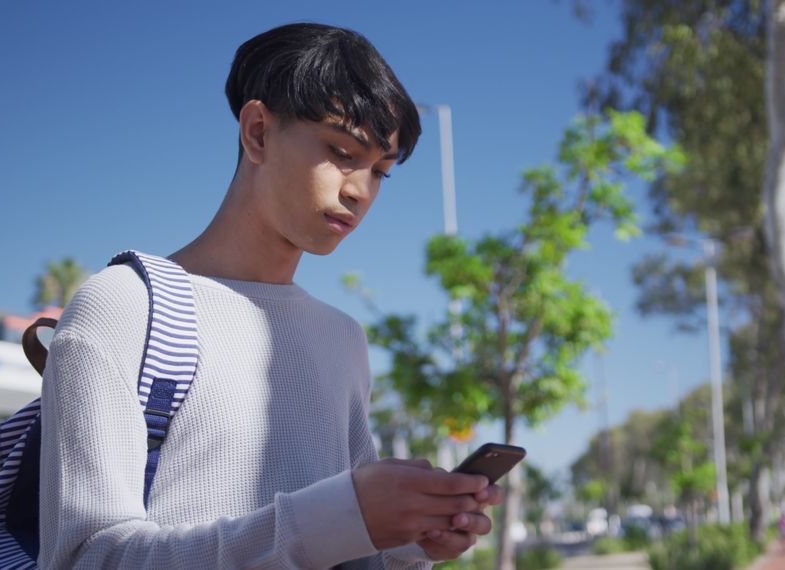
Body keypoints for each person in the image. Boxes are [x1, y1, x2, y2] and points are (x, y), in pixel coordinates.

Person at [38, 23, 502, 569]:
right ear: (257, 132)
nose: (359, 190)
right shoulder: (124, 305)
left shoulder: (344, 338)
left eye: (380, 171)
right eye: (342, 151)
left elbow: (346, 550)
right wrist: (337, 519)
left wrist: (409, 541)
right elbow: (82, 559)